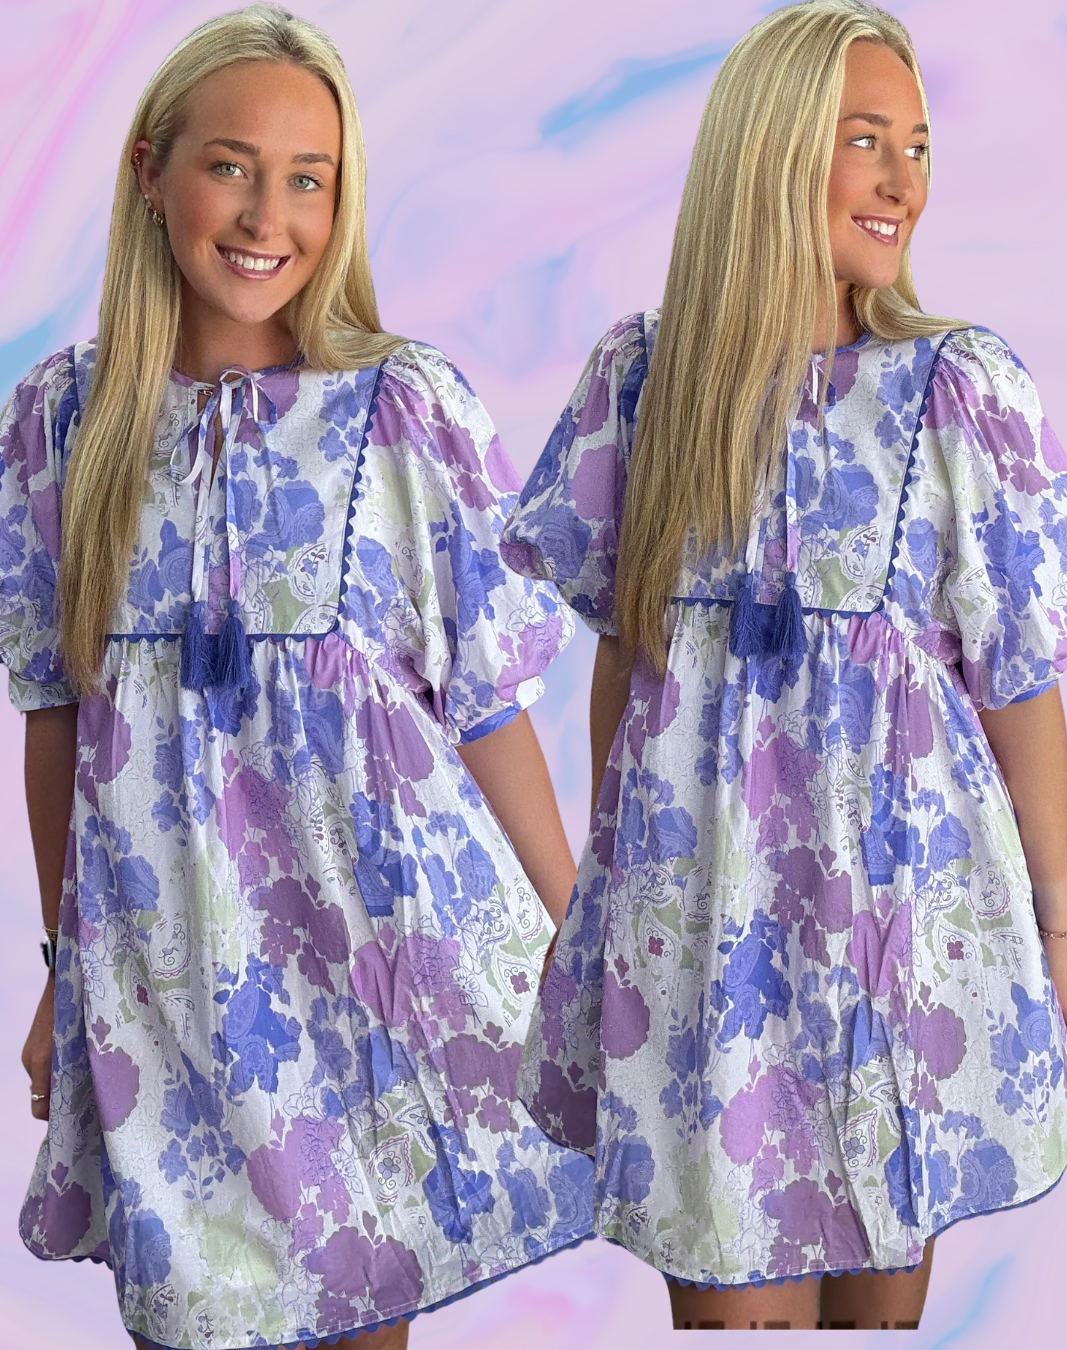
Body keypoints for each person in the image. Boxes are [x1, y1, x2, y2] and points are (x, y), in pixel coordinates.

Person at [3, 5, 592, 1347]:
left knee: (367, 1315)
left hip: (379, 961)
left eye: (309, 179)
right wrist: (63, 972)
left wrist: (583, 942)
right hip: (168, 980)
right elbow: (55, 715)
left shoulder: (401, 409)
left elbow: (486, 707)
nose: (270, 215)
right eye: (232, 166)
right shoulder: (60, 424)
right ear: (152, 173)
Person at [500, 0, 1067, 1331]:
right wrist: (607, 907)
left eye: (917, 147)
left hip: (903, 933)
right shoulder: (645, 382)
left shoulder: (956, 389)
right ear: (771, 149)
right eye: (864, 139)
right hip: (704, 940)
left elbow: (1018, 680)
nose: (902, 181)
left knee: (878, 1307)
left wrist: (1062, 926)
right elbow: (627, 667)